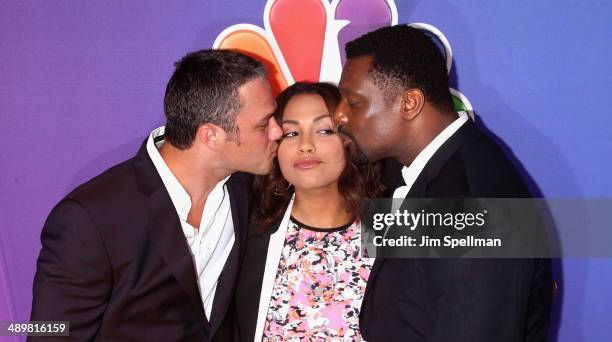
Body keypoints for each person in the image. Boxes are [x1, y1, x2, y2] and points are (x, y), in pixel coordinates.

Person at [30, 49, 282, 341]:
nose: (277, 131)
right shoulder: (89, 219)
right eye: (263, 124)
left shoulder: (246, 188)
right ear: (211, 135)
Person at [334, 25, 553, 341]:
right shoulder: (416, 169)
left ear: (409, 104)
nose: (338, 115)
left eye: (353, 103)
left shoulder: (475, 206)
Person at [232, 82, 384, 341]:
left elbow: (475, 229)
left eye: (324, 130)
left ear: (350, 140)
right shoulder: (249, 228)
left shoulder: (386, 223)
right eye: (291, 134)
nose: (306, 145)